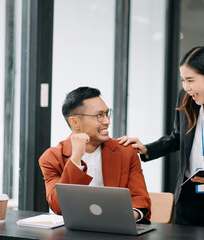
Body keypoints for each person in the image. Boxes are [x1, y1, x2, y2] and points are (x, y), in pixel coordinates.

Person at [118, 46, 204, 229]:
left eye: (191, 80)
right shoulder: (186, 99)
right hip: (187, 200)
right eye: (183, 80)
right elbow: (177, 137)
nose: (186, 87)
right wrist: (146, 148)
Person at [39, 86, 151, 223]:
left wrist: (122, 218)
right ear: (75, 122)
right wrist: (76, 158)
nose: (107, 121)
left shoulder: (126, 151)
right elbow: (58, 206)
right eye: (99, 115)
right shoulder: (52, 158)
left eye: (107, 113)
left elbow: (140, 201)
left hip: (117, 230)